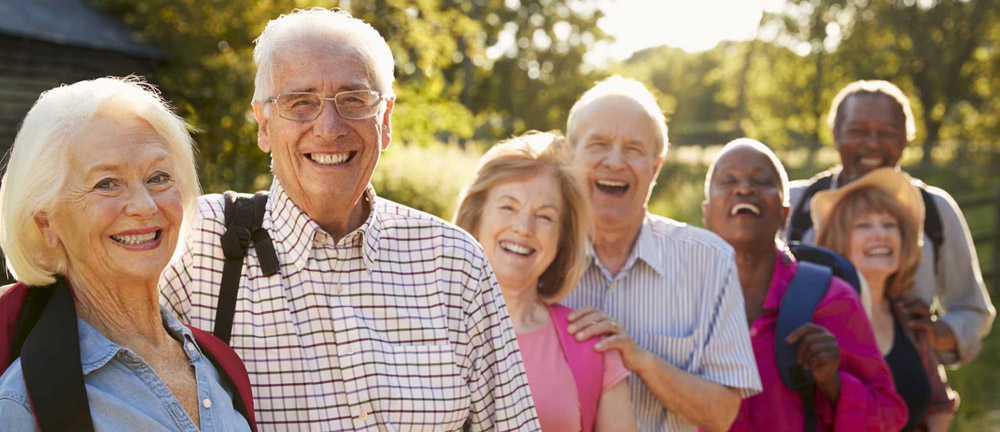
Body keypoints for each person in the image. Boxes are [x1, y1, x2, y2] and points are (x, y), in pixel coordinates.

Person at [158, 8, 539, 431]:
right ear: (264, 124)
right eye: (300, 102)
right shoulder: (195, 242)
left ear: (387, 120)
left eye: (353, 100)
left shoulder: (453, 262)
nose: (329, 127)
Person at [0, 77, 254, 431]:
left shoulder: (220, 366)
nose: (144, 205)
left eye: (159, 177)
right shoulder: (22, 407)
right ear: (46, 222)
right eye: (107, 183)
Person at [559, 76, 762, 432]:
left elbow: (722, 414)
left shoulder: (710, 261)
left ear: (655, 167)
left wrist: (641, 360)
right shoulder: (537, 257)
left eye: (634, 149)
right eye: (599, 144)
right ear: (569, 156)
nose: (615, 161)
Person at [702, 139, 907, 431]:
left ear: (785, 213)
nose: (744, 189)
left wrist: (832, 382)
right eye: (728, 180)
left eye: (761, 180)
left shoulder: (832, 298)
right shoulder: (680, 298)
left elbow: (889, 414)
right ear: (706, 213)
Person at [786, 80, 994, 366]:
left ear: (906, 139)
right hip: (808, 390)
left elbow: (973, 310)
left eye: (887, 133)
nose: (872, 143)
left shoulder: (935, 209)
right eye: (858, 131)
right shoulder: (793, 204)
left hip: (908, 395)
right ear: (835, 135)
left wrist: (931, 335)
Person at [454, 131, 638, 432]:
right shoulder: (421, 327)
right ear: (475, 219)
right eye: (508, 207)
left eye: (545, 216)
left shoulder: (590, 345)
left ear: (561, 240)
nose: (524, 227)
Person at [812, 167, 959, 432]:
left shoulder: (908, 317)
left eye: (890, 225)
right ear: (837, 241)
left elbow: (938, 403)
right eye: (864, 225)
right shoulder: (818, 318)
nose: (881, 234)